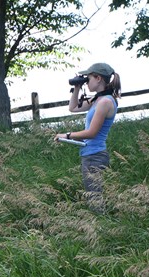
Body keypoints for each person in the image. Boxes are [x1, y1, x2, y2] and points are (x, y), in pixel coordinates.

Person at [55, 62, 121, 214]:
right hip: (91, 154)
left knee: (95, 199)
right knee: (95, 196)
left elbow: (92, 133)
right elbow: (73, 108)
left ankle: (102, 229)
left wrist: (67, 135)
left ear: (98, 78)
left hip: (95, 156)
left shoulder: (105, 102)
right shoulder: (97, 100)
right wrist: (77, 88)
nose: (86, 81)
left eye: (88, 78)